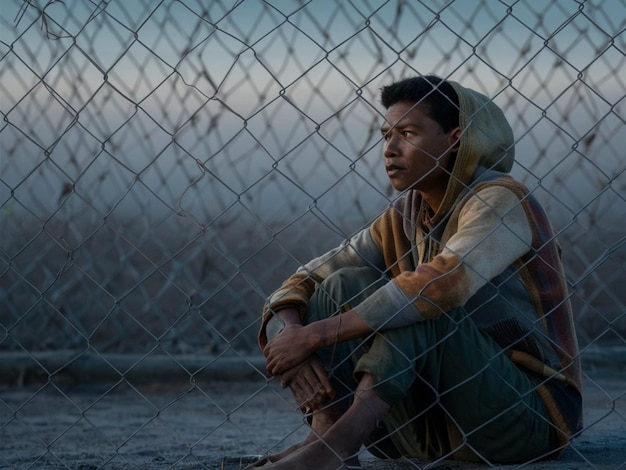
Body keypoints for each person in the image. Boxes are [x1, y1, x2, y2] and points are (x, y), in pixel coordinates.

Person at [248, 75, 583, 469]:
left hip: (524, 419)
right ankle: (326, 432)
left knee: (422, 300)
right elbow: (305, 280)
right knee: (341, 285)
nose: (389, 150)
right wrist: (291, 334)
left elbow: (443, 285)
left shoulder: (502, 199)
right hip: (429, 423)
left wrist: (314, 335)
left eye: (407, 133)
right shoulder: (403, 215)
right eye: (385, 135)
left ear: (455, 139)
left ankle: (335, 447)